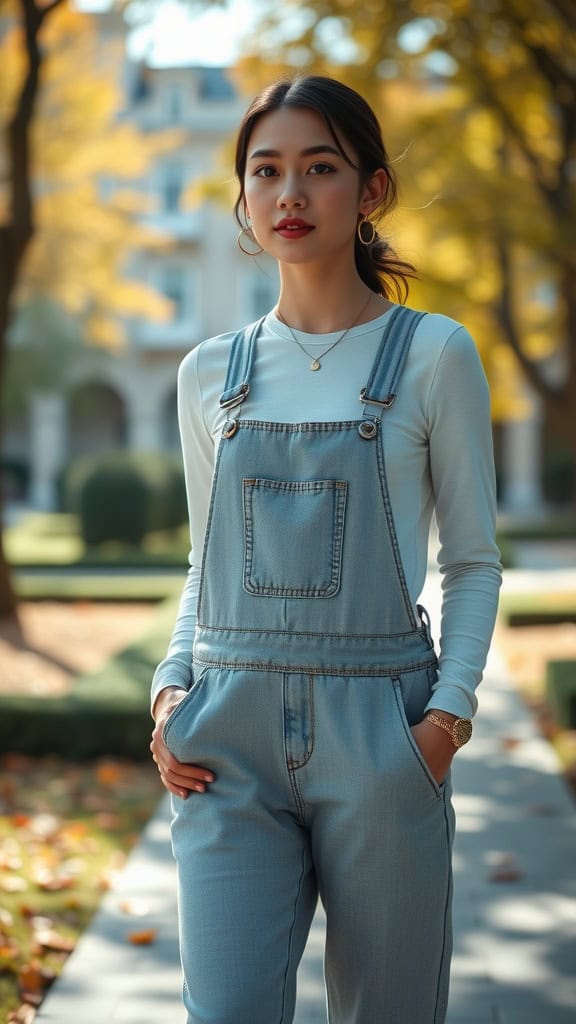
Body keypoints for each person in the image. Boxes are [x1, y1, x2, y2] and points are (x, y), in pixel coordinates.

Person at [150, 74, 502, 1024]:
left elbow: (472, 561)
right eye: (265, 171)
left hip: (383, 732)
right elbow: (203, 565)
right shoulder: (204, 375)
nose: (289, 195)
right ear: (244, 197)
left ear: (371, 191)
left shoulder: (434, 355)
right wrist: (170, 687)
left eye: (319, 168)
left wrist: (443, 727)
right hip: (227, 736)